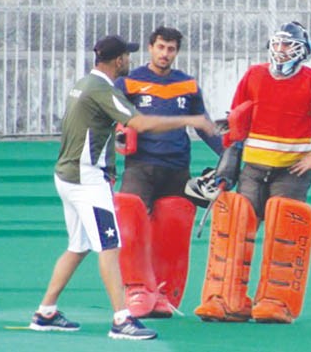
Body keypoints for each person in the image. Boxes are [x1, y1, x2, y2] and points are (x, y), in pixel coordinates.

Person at [29, 35, 215, 340]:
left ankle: (45, 312)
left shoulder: (84, 83)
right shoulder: (103, 89)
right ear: (118, 61)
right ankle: (121, 320)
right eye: (127, 55)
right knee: (110, 247)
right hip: (87, 181)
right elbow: (140, 124)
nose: (130, 59)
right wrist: (192, 119)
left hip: (67, 174)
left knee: (78, 247)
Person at [191, 21, 311, 324]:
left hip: (291, 170)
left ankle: (275, 302)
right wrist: (227, 163)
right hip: (253, 168)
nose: (280, 51)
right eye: (277, 44)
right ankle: (227, 299)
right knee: (236, 233)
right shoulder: (253, 75)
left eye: (288, 45)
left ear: (302, 51)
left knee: (284, 236)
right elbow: (236, 121)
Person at [112, 26, 223, 318]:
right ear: (151, 47)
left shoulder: (187, 84)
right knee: (132, 227)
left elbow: (204, 124)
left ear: (177, 51)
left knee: (170, 233)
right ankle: (136, 291)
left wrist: (228, 157)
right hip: (140, 167)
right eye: (161, 47)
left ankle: (161, 294)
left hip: (177, 168)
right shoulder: (129, 82)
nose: (165, 54)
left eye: (171, 49)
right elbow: (110, 122)